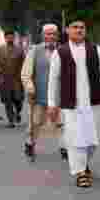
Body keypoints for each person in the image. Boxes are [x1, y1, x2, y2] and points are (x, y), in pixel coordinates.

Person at [47, 18, 100, 188]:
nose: (79, 30)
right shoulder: (61, 52)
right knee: (74, 139)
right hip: (71, 105)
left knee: (95, 137)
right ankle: (80, 172)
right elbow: (53, 79)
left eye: (82, 27)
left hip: (94, 103)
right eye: (75, 27)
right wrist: (52, 103)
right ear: (67, 30)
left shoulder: (95, 50)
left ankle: (83, 163)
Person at [21, 24, 64, 160]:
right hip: (39, 94)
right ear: (43, 35)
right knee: (36, 122)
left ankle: (65, 147)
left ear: (57, 35)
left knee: (61, 123)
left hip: (59, 96)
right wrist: (29, 87)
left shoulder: (63, 50)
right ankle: (30, 143)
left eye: (53, 34)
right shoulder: (34, 50)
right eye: (48, 34)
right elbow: (25, 73)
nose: (50, 36)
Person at [0, 29, 26, 127]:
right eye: (8, 37)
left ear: (14, 38)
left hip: (17, 79)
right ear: (5, 38)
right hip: (4, 79)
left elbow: (25, 64)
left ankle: (17, 112)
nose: (10, 38)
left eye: (11, 36)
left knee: (18, 100)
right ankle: (11, 121)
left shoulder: (20, 49)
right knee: (7, 101)